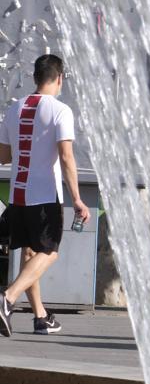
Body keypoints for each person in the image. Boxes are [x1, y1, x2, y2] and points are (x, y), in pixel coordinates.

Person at [0, 54, 90, 337]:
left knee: (30, 253)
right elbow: (66, 156)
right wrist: (76, 198)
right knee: (49, 252)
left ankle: (40, 316)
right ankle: (7, 298)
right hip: (43, 195)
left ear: (35, 78)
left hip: (18, 195)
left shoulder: (14, 109)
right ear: (59, 77)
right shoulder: (60, 110)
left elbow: (3, 155)